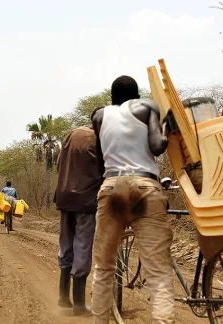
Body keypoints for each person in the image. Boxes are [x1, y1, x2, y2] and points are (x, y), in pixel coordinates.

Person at [91, 75, 173, 323]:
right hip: (144, 187)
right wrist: (167, 128)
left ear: (112, 99)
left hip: (111, 187)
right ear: (136, 96)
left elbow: (100, 162)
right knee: (158, 274)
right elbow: (157, 146)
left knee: (103, 269)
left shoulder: (99, 116)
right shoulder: (147, 106)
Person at [54, 125, 103, 316]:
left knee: (66, 243)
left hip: (65, 198)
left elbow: (59, 163)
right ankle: (80, 304)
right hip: (86, 200)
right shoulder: (98, 139)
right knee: (82, 245)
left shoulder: (70, 135)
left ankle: (63, 297)